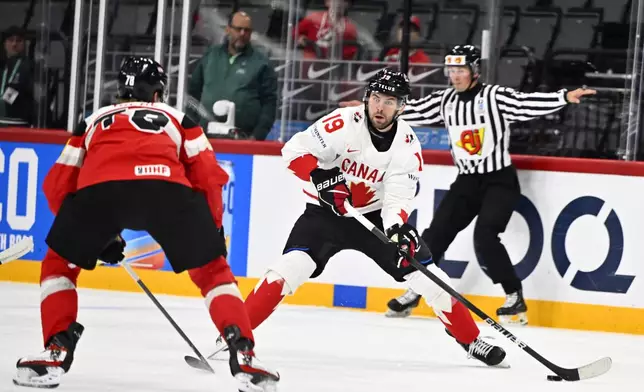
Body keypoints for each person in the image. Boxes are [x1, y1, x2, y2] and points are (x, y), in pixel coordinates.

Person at [12, 56, 279, 392]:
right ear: (157, 93)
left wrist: (96, 236)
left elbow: (58, 185)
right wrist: (212, 230)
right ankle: (243, 353)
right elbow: (208, 177)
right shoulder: (180, 119)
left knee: (58, 267)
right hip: (168, 190)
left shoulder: (93, 120)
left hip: (100, 192)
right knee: (214, 274)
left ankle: (56, 350)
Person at [210, 69, 508, 368]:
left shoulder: (407, 145)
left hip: (374, 219)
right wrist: (320, 176)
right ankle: (234, 338)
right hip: (324, 216)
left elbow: (397, 197)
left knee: (431, 279)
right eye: (376, 98)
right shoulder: (342, 123)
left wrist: (397, 230)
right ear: (367, 98)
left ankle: (472, 341)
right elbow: (293, 151)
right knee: (287, 270)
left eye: (389, 101)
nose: (380, 107)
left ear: (402, 107)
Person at [345, 45, 596, 323]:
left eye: (460, 70)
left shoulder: (494, 96)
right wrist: (366, 108)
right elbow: (409, 111)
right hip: (466, 182)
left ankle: (514, 296)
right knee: (434, 235)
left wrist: (564, 97)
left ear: (474, 70)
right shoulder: (445, 100)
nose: (455, 76)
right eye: (451, 71)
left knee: (486, 236)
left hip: (498, 180)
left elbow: (525, 104)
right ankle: (417, 290)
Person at [188, 11, 278, 140]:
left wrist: (257, 136)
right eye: (238, 29)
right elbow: (193, 93)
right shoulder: (211, 55)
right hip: (205, 137)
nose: (242, 34)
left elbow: (269, 104)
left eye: (247, 30)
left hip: (243, 139)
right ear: (228, 29)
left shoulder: (261, 63)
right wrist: (192, 127)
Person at [0, 26, 34, 127]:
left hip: (18, 123)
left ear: (24, 44)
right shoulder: (2, 66)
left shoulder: (30, 67)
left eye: (18, 41)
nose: (14, 44)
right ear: (5, 44)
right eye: (10, 40)